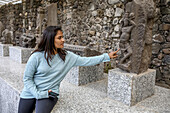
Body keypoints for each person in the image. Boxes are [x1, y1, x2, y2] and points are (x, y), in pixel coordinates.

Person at [18, 26, 119, 113]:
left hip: (49, 92)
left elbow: (87, 61)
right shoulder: (36, 56)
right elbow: (27, 78)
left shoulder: (67, 57)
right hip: (31, 91)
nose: (63, 40)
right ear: (50, 39)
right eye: (59, 38)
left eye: (63, 37)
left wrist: (107, 56)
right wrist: (38, 94)